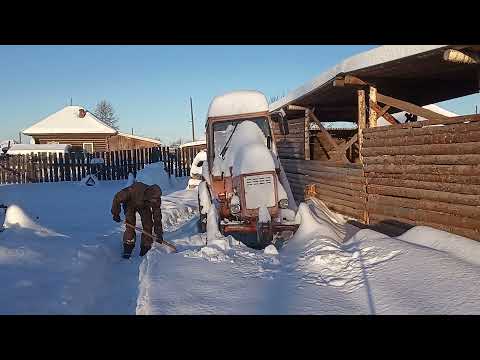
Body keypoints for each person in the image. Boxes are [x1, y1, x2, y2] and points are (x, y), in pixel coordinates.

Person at [111, 182, 163, 259]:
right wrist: (115, 213)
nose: (154, 201)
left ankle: (145, 246)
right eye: (153, 200)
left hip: (144, 205)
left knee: (148, 224)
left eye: (155, 200)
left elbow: (157, 216)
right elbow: (117, 198)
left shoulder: (156, 198)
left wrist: (158, 233)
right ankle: (128, 246)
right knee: (130, 225)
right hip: (129, 203)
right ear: (149, 195)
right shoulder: (132, 190)